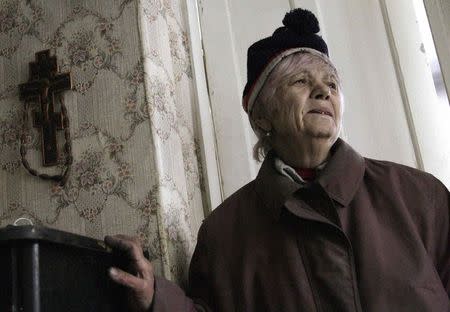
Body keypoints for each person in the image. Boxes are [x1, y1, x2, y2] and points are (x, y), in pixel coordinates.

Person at [104, 8, 450, 312]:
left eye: (331, 83)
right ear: (262, 118)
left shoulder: (420, 197)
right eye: (301, 81)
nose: (323, 91)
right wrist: (155, 299)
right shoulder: (224, 236)